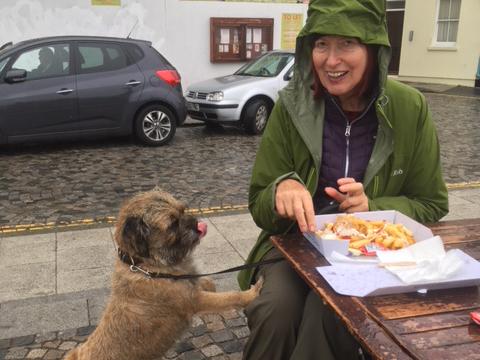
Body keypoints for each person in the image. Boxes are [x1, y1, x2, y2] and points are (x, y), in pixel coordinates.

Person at [237, 0, 449, 359]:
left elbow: (432, 203)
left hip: (373, 258)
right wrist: (280, 189)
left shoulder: (410, 107)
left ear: (374, 50)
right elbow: (259, 202)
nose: (330, 61)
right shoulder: (291, 105)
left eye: (346, 44)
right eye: (321, 44)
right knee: (276, 310)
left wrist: (374, 208)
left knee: (332, 314)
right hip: (295, 244)